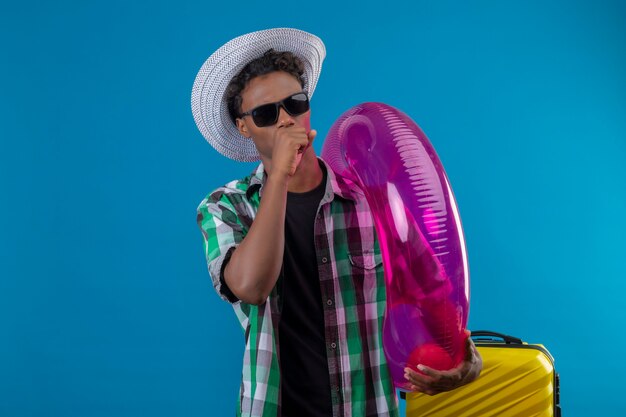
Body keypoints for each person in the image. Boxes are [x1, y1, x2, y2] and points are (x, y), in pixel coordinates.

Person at [192, 28, 482, 417]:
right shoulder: (225, 206)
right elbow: (251, 287)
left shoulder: (371, 201)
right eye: (265, 114)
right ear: (244, 128)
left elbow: (435, 294)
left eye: (294, 103)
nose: (285, 121)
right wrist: (278, 175)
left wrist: (465, 358)